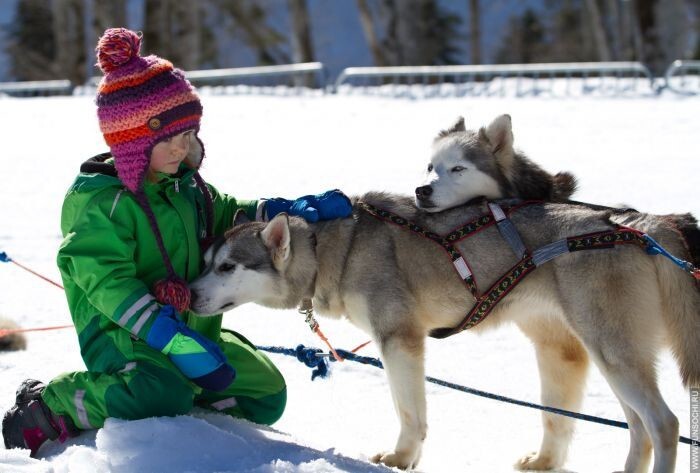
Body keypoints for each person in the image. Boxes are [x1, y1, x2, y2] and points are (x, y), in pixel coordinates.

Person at [2, 28, 352, 457]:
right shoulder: (100, 205)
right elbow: (107, 282)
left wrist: (286, 207)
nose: (183, 147)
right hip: (125, 338)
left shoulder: (187, 186)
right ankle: (52, 406)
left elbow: (228, 213)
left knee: (266, 396)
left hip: (194, 332)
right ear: (134, 140)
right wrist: (169, 338)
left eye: (188, 133)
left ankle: (181, 383)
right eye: (169, 138)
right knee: (156, 395)